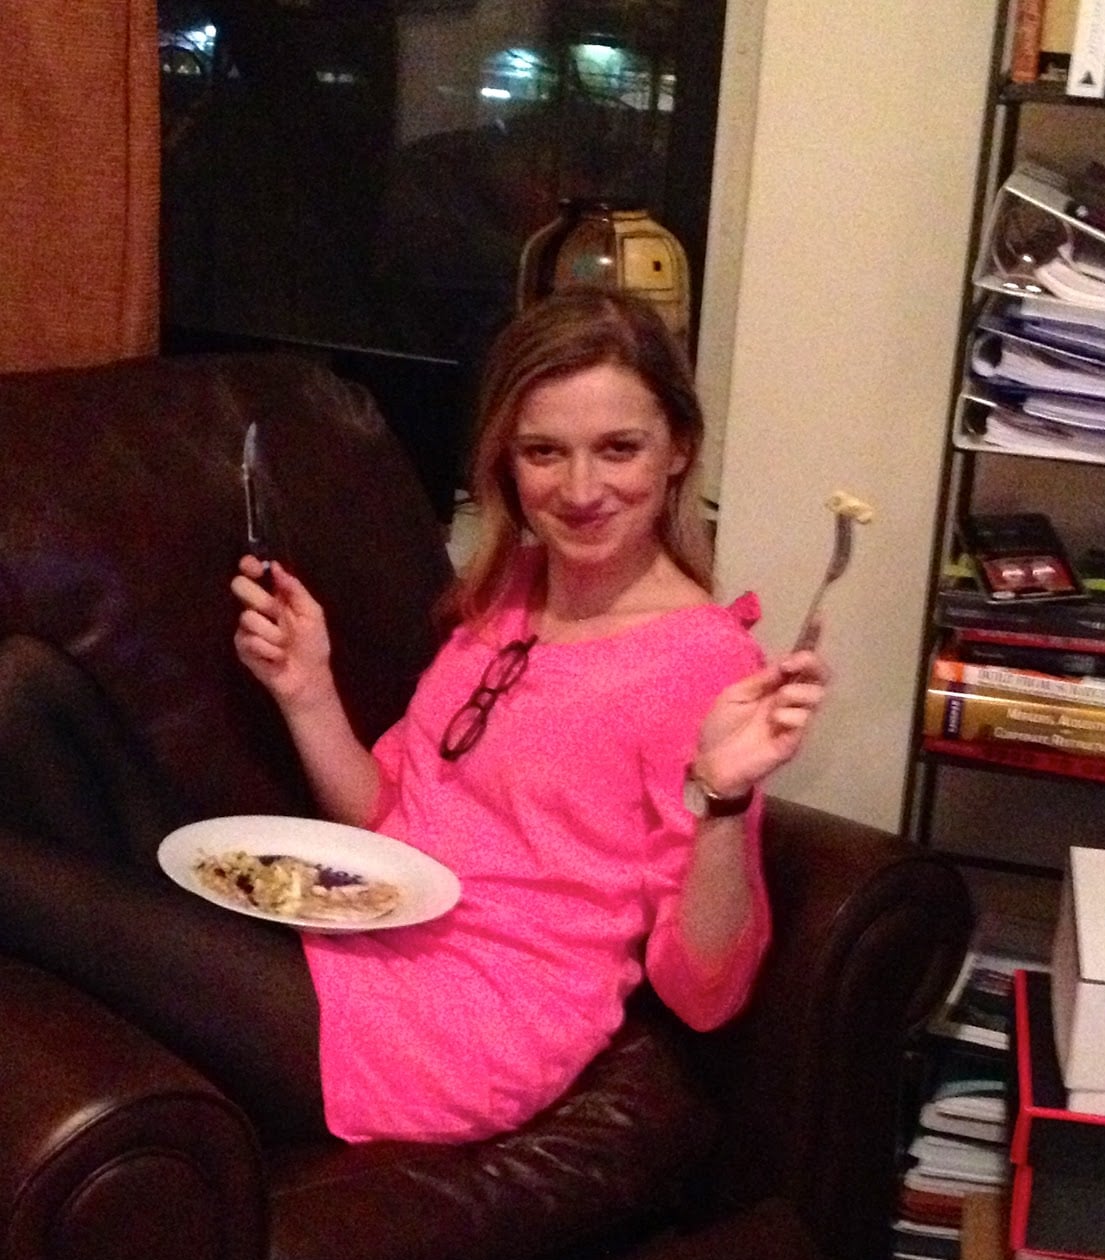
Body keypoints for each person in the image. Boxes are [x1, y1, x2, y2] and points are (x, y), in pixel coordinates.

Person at [0, 288, 826, 1147]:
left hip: (460, 1023)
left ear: (678, 449)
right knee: (26, 687)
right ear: (507, 460)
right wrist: (307, 688)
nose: (582, 489)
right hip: (351, 930)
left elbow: (707, 995)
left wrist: (723, 801)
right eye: (545, 451)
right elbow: (386, 822)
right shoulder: (510, 593)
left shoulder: (702, 664)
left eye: (619, 448)